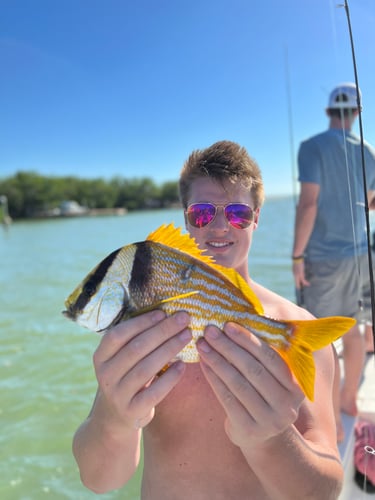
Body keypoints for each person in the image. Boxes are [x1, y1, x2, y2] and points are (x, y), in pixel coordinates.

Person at [73, 140, 343, 499]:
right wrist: (115, 419)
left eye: (237, 214)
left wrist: (273, 441)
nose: (218, 227)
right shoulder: (152, 326)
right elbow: (99, 480)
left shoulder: (296, 328)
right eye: (202, 213)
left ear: (256, 218)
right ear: (186, 217)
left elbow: (324, 490)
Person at [292, 83, 375, 442]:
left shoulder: (311, 147)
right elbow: (372, 201)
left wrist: (297, 256)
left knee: (321, 338)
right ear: (356, 113)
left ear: (328, 112)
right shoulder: (369, 152)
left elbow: (308, 203)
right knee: (355, 328)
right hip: (360, 255)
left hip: (323, 259)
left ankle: (327, 417)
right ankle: (348, 399)